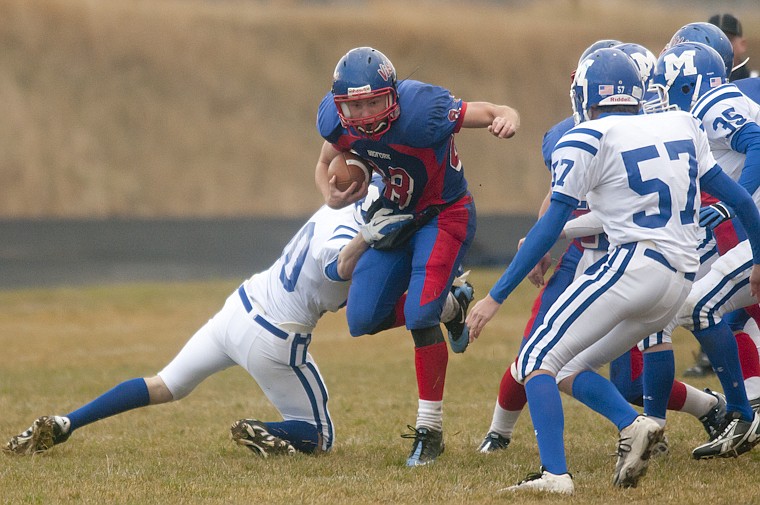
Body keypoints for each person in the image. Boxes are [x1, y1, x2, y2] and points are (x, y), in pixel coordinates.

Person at [466, 47, 760, 494]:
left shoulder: (585, 138)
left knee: (533, 360)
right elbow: (738, 199)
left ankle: (555, 476)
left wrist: (494, 297)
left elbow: (549, 224)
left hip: (634, 265)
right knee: (567, 367)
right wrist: (757, 258)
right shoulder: (681, 125)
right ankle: (633, 423)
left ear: (584, 94)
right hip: (681, 277)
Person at [3, 181, 433, 457]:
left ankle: (67, 421)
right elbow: (338, 267)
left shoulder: (339, 204)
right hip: (276, 338)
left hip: (237, 308)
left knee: (165, 384)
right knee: (321, 436)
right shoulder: (348, 234)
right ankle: (261, 429)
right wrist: (367, 241)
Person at [315, 46, 519, 466]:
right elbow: (325, 160)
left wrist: (507, 116)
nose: (367, 113)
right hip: (394, 214)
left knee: (420, 316)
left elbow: (490, 109)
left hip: (445, 213)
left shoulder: (422, 108)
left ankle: (429, 431)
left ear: (393, 93)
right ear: (341, 105)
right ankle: (453, 304)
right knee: (362, 318)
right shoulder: (335, 120)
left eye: (374, 101)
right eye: (355, 105)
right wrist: (329, 194)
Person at [647, 41, 760, 459]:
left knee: (699, 306)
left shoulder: (713, 104)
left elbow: (757, 144)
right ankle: (746, 407)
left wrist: (735, 201)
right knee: (728, 315)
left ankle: (742, 413)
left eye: (666, 85)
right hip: (746, 233)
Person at [709, 13, 757, 81]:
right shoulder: (694, 84)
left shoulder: (756, 84)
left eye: (728, 39)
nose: (721, 46)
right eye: (714, 40)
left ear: (742, 44)